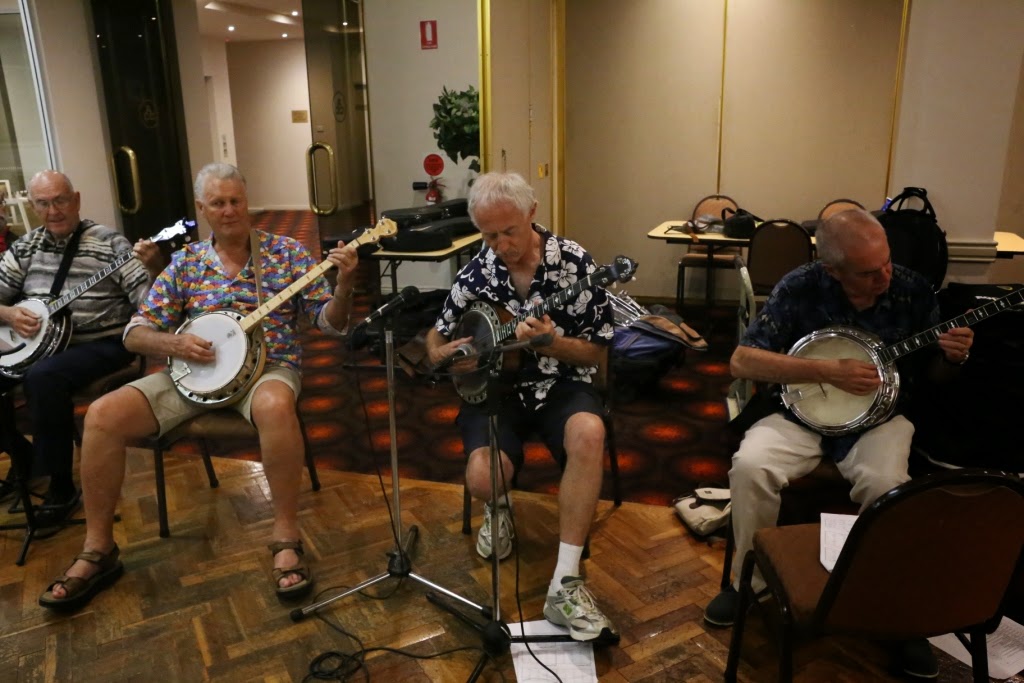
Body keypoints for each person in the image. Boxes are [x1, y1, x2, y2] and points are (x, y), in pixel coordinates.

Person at [38, 162, 359, 611]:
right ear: (201, 208)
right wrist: (175, 343)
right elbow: (135, 333)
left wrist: (343, 287)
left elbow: (330, 324)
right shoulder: (186, 263)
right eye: (218, 203)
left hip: (268, 369)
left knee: (274, 406)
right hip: (193, 375)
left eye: (236, 201)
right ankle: (99, 549)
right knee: (102, 415)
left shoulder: (286, 253)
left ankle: (286, 536)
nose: (229, 211)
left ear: (247, 201)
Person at [703, 208, 973, 678]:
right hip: (802, 413)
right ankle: (750, 584)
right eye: (868, 273)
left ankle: (891, 607)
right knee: (750, 466)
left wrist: (952, 359)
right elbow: (742, 362)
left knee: (887, 486)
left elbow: (935, 379)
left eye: (886, 263)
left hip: (879, 420)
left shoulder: (912, 289)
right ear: (832, 270)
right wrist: (827, 371)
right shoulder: (800, 286)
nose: (884, 277)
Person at [425, 171, 618, 642]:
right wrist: (440, 352)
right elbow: (437, 334)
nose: (502, 245)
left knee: (589, 432)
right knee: (482, 478)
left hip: (561, 382)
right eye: (489, 235)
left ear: (532, 211)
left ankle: (565, 584)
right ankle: (499, 506)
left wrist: (552, 344)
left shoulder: (575, 264)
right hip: (496, 389)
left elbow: (596, 352)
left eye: (509, 231)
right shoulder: (477, 271)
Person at [0, 170, 163, 529]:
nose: (53, 210)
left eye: (60, 200)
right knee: (39, 372)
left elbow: (150, 304)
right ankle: (23, 456)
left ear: (76, 200)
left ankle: (60, 486)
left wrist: (155, 268)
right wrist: (9, 314)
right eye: (43, 203)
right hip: (38, 344)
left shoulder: (110, 244)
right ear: (33, 206)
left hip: (102, 342)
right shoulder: (25, 247)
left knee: (43, 378)